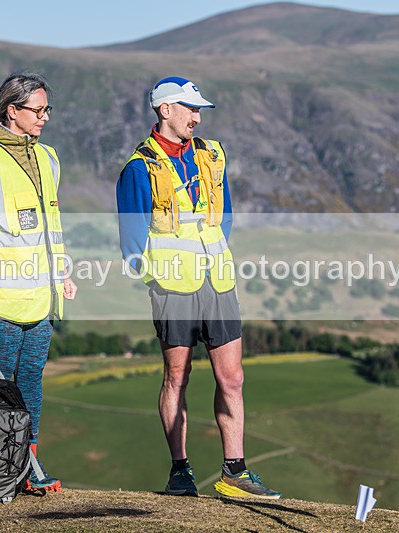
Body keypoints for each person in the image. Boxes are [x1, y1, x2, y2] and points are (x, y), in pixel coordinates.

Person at [116, 76, 281, 499]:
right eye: (190, 108)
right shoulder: (139, 168)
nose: (197, 116)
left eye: (199, 109)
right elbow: (131, 238)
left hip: (218, 281)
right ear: (165, 109)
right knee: (177, 377)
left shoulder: (212, 155)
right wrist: (156, 275)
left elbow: (224, 217)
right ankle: (180, 472)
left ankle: (235, 473)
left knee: (233, 378)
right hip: (172, 287)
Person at [0, 72, 76, 495]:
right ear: (12, 111)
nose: (44, 118)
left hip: (41, 297)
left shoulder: (49, 158)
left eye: (47, 110)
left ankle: (26, 465)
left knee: (31, 381)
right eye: (37, 110)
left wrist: (63, 272)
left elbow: (51, 226)